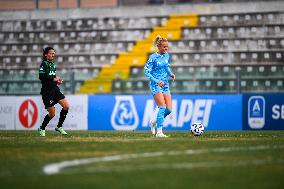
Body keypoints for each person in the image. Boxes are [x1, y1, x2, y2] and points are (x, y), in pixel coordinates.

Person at [144, 36, 175, 137]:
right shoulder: (153, 58)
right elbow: (146, 71)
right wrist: (157, 81)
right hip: (155, 84)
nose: (166, 49)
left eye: (167, 47)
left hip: (165, 84)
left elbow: (166, 66)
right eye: (164, 47)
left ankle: (154, 122)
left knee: (169, 110)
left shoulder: (166, 56)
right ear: (158, 46)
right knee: (162, 107)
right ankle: (159, 132)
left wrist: (170, 74)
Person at [38, 47, 69, 137]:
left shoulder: (52, 64)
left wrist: (57, 81)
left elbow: (52, 77)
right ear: (45, 54)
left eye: (53, 53)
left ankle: (59, 127)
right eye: (51, 53)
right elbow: (42, 77)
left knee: (66, 106)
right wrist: (54, 79)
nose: (53, 55)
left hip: (55, 89)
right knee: (52, 114)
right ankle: (42, 128)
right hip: (47, 92)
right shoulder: (44, 64)